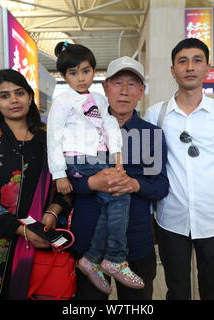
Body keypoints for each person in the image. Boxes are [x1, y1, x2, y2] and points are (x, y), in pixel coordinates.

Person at [0, 69, 72, 300]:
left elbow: (65, 185)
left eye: (19, 93)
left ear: (30, 96)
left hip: (44, 238)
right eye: (5, 95)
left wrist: (53, 212)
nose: (13, 100)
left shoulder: (49, 137)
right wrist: (21, 230)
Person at [145, 38, 214, 300]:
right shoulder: (156, 114)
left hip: (213, 220)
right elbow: (150, 168)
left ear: (208, 67)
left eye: (197, 60)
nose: (190, 67)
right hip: (170, 219)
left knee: (212, 289)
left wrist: (210, 195)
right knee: (177, 290)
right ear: (173, 70)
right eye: (182, 61)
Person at [47, 42, 144, 295]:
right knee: (119, 197)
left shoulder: (99, 99)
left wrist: (118, 158)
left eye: (86, 71)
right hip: (77, 160)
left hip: (100, 158)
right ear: (64, 76)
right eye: (73, 73)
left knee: (109, 204)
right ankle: (114, 258)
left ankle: (92, 259)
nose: (81, 78)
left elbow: (110, 127)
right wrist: (59, 174)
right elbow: (53, 137)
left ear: (94, 72)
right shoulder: (62, 101)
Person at [69, 56, 169, 300]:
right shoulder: (82, 131)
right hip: (88, 241)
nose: (124, 91)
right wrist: (93, 182)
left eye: (132, 84)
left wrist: (134, 184)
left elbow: (160, 185)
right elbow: (65, 181)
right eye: (117, 83)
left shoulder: (151, 134)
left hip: (135, 241)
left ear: (142, 92)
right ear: (105, 88)